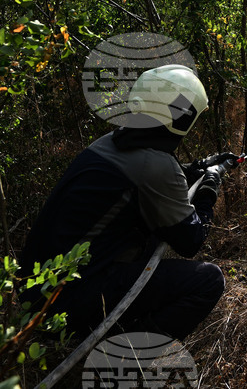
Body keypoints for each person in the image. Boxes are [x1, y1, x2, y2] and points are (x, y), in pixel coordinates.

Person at [18, 64, 234, 340]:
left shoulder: (109, 142)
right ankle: (126, 352)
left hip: (36, 295)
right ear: (181, 116)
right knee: (208, 280)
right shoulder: (155, 164)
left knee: (151, 230)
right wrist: (208, 191)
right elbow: (190, 240)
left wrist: (197, 169)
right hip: (68, 302)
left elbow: (148, 177)